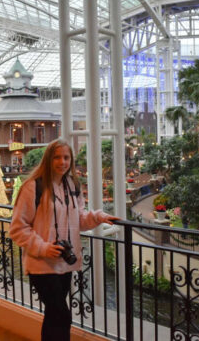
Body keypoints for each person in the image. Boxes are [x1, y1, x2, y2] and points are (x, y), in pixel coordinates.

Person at [10, 139, 118, 341]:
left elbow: (79, 221)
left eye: (66, 157)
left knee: (54, 316)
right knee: (62, 315)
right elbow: (17, 228)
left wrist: (99, 217)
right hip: (42, 264)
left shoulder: (71, 185)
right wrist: (43, 248)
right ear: (48, 160)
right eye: (57, 157)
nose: (62, 162)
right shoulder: (33, 187)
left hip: (64, 263)